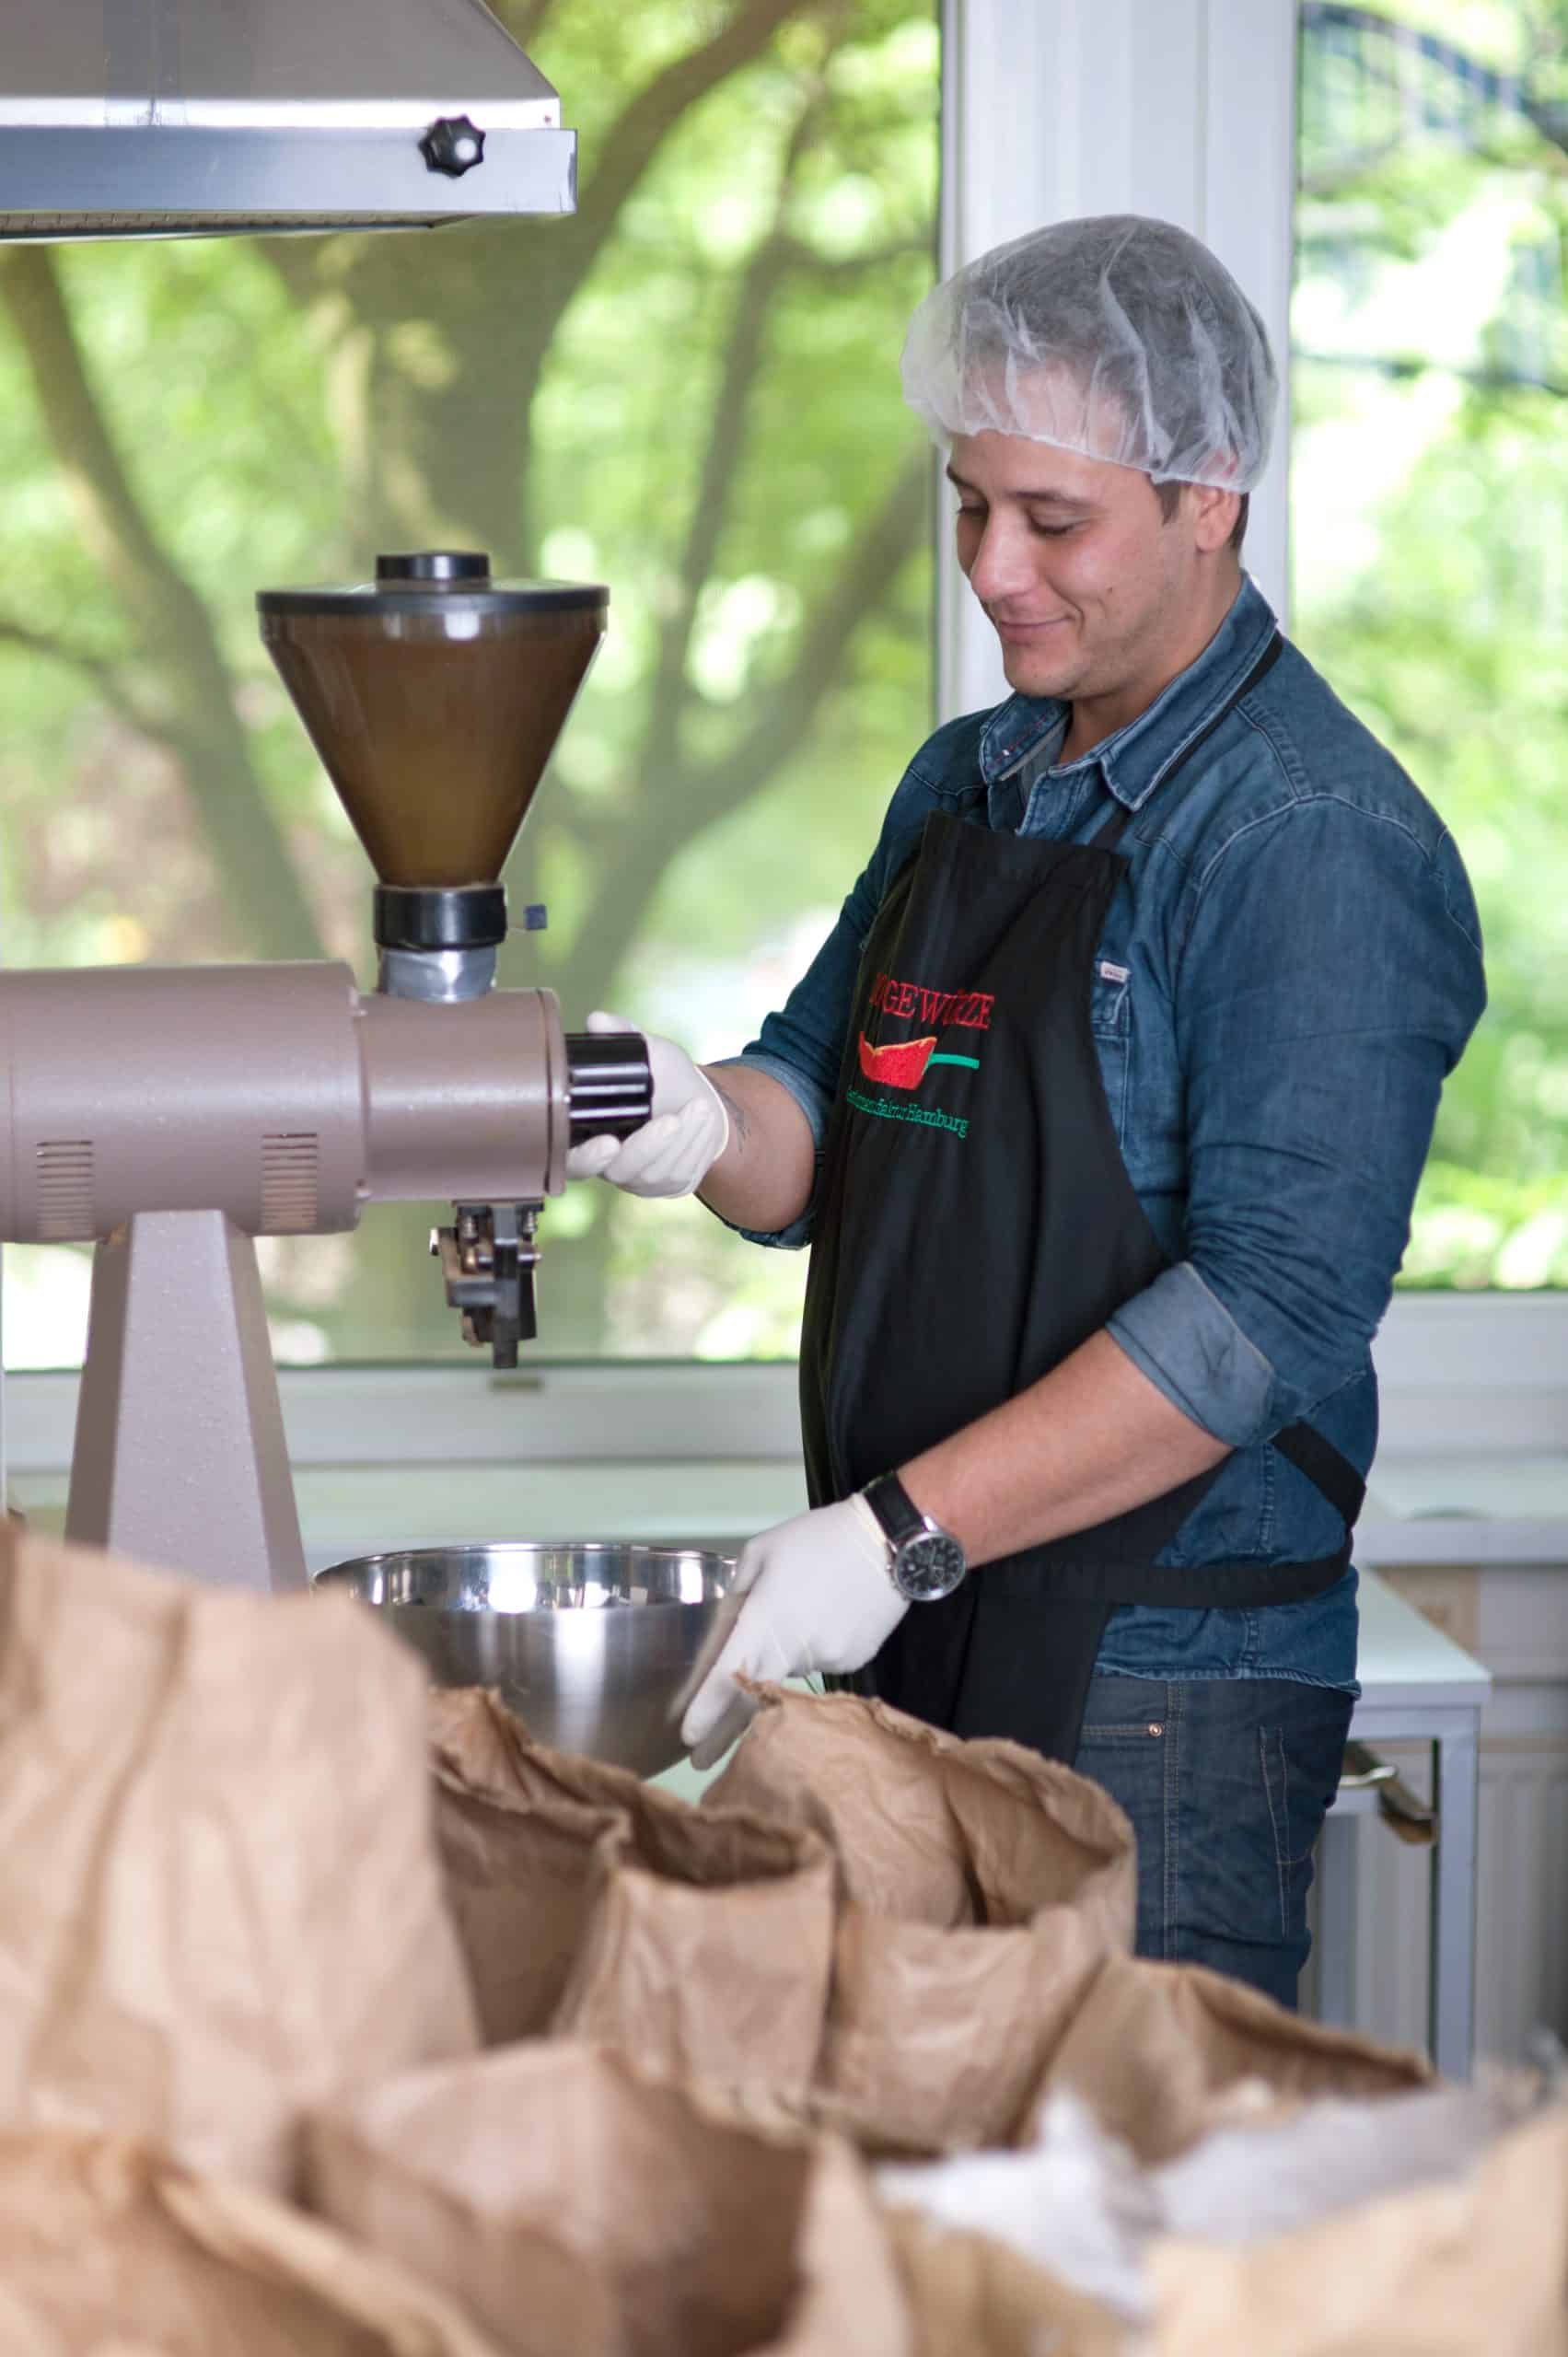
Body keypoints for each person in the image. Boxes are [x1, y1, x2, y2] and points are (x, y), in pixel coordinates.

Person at [568, 215, 1485, 2006]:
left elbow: (1273, 1310)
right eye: (968, 503)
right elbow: (818, 1113)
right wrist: (691, 1118)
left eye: (1052, 520)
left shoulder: (1307, 840)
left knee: (1107, 2172)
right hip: (921, 1624)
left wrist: (897, 1528)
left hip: (1158, 1694)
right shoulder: (968, 778)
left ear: (1209, 493)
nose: (993, 568)